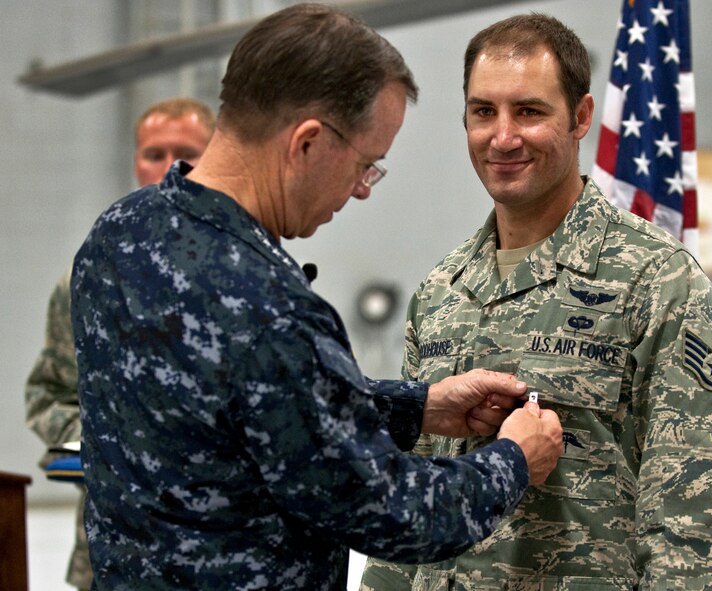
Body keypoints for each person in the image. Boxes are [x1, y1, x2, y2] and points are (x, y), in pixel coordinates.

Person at [69, 4, 564, 590]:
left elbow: (239, 409)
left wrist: (417, 406)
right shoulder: (269, 308)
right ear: (306, 142)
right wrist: (511, 459)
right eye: (367, 164)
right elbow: (394, 513)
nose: (361, 190)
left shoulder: (119, 234)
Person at [361, 13, 712, 591]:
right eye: (483, 111)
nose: (503, 137)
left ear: (581, 117)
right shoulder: (442, 289)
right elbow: (411, 498)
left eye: (530, 111)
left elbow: (691, 525)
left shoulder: (656, 282)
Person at [25, 96, 215, 591]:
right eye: (153, 153)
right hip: (114, 548)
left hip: (225, 549)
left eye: (186, 152)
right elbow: (47, 396)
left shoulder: (246, 269)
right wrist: (113, 438)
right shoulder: (88, 277)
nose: (169, 166)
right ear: (135, 160)